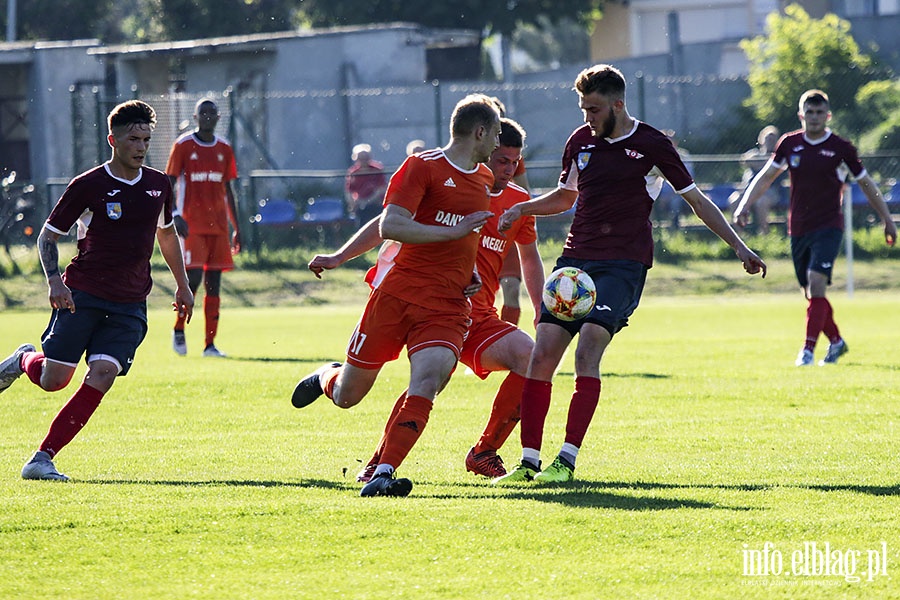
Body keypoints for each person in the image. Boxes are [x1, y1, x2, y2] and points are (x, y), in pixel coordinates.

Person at [493, 64, 766, 485]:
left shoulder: (652, 145)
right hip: (575, 261)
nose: (588, 117)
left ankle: (565, 462)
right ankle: (528, 463)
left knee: (588, 351)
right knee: (542, 353)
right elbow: (566, 197)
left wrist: (739, 246)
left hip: (623, 264)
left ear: (618, 104)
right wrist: (522, 207)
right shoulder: (580, 141)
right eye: (584, 108)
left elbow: (696, 200)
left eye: (595, 109)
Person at [308, 118, 544, 481]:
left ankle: (478, 452)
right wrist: (340, 256)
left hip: (467, 314)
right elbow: (389, 222)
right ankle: (329, 377)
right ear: (484, 147)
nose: (508, 170)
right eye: (501, 160)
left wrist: (539, 308)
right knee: (348, 396)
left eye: (515, 163)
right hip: (406, 295)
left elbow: (528, 258)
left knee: (524, 358)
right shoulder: (449, 175)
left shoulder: (517, 202)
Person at [0, 100, 193, 481]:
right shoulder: (88, 185)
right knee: (54, 380)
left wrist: (183, 285)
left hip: (130, 302)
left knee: (103, 372)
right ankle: (25, 359)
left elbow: (166, 235)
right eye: (133, 139)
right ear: (113, 140)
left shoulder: (158, 185)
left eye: (146, 139)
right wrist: (55, 281)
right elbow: (47, 237)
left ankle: (42, 458)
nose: (141, 146)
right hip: (82, 295)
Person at [734, 89, 896, 367]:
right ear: (801, 115)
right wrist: (745, 205)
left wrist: (887, 219)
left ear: (828, 115)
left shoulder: (841, 148)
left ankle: (807, 352)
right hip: (798, 228)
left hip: (829, 225)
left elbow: (867, 183)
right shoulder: (790, 144)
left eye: (820, 112)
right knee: (811, 293)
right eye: (810, 112)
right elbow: (766, 176)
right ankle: (837, 341)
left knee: (817, 283)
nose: (815, 117)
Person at [166, 97, 240, 358]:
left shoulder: (225, 148)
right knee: (193, 280)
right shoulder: (183, 145)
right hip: (192, 225)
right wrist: (174, 213)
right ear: (196, 117)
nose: (208, 117)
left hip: (218, 227)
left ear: (218, 118)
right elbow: (169, 182)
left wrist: (236, 227)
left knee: (215, 284)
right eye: (203, 113)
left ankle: (209, 344)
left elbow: (228, 189)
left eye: (212, 113)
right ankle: (178, 327)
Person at [489, 97, 532, 326]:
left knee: (512, 290)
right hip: (479, 233)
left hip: (505, 233)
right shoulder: (475, 155)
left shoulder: (511, 154)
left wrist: (517, 214)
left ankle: (505, 337)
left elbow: (524, 193)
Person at [734, 125, 780, 234]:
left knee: (761, 202)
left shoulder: (778, 156)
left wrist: (761, 164)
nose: (770, 141)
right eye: (767, 138)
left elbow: (769, 167)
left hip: (770, 192)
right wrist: (764, 163)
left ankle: (764, 234)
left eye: (773, 139)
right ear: (761, 139)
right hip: (748, 190)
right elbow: (745, 160)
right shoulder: (755, 153)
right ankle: (739, 235)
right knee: (734, 200)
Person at [344, 143, 388, 225]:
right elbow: (349, 191)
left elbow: (382, 189)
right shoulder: (353, 172)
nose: (363, 160)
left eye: (365, 158)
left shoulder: (377, 170)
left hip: (375, 203)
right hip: (361, 204)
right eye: (360, 158)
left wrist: (369, 200)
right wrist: (354, 203)